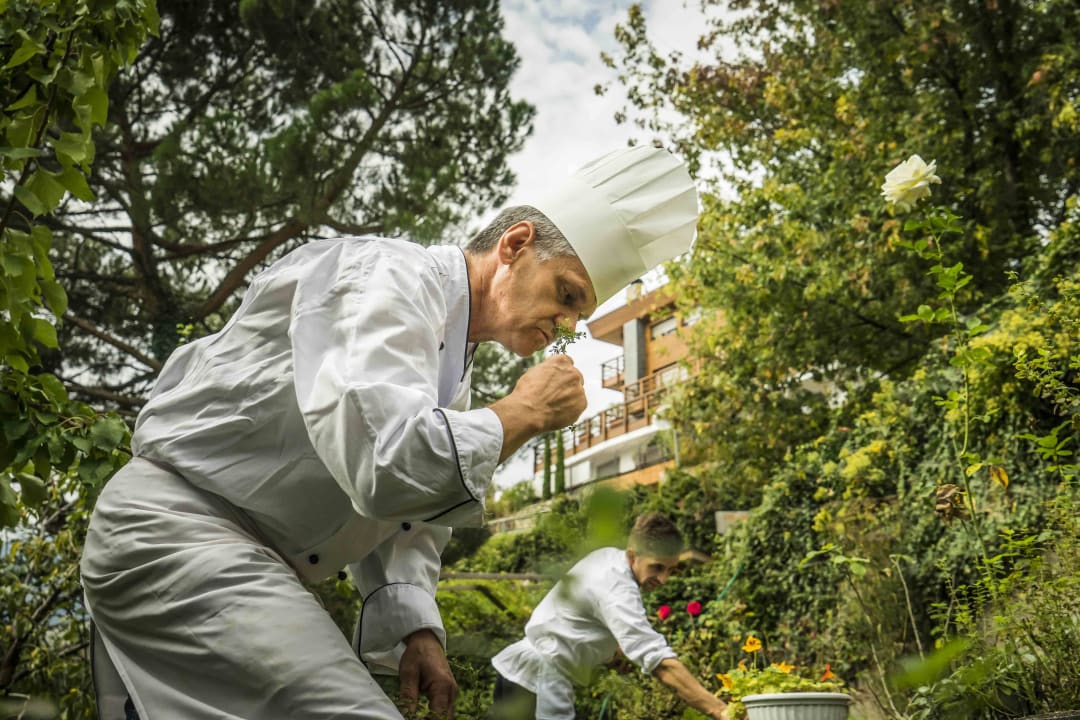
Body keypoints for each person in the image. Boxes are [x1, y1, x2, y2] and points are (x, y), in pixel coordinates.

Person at [80, 144, 699, 719]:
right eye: (566, 294)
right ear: (514, 245)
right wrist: (520, 414)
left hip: (243, 556)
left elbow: (404, 522)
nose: (564, 325)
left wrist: (417, 629)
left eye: (578, 315)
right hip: (179, 528)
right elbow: (383, 463)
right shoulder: (388, 278)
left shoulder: (449, 366)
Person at [491, 513, 728, 720]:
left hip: (525, 673)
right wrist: (720, 710)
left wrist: (611, 651)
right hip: (538, 681)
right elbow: (658, 661)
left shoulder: (608, 558)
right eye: (657, 567)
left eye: (670, 570)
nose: (664, 579)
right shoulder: (618, 587)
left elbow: (582, 618)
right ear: (633, 556)